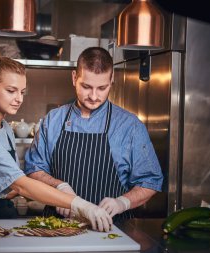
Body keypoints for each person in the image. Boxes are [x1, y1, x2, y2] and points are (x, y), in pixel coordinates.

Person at [0, 53, 112, 232]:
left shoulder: (4, 127)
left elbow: (11, 187)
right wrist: (81, 205)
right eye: (11, 91)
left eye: (22, 92)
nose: (19, 98)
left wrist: (58, 191)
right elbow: (19, 184)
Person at [24, 47, 163, 221]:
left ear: (112, 80)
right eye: (86, 86)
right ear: (74, 78)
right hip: (58, 228)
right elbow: (33, 169)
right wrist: (58, 188)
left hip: (114, 229)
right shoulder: (53, 120)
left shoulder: (130, 126)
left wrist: (122, 202)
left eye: (102, 88)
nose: (94, 96)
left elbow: (150, 181)